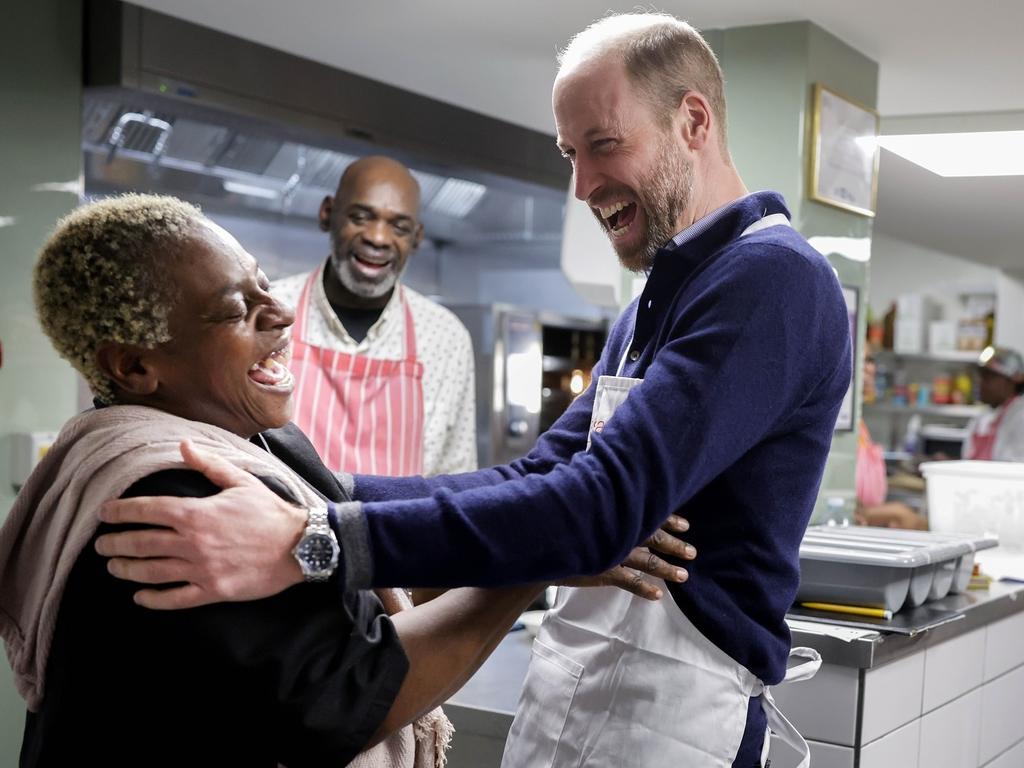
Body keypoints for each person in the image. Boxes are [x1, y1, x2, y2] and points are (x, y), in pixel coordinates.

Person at [95, 13, 852, 768]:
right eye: (568, 154)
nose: (583, 184)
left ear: (693, 121)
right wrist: (304, 490)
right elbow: (535, 478)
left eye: (603, 144)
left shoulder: (772, 280)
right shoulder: (655, 301)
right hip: (586, 692)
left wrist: (313, 541)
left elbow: (599, 508)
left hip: (684, 719)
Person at [0, 194, 546, 768]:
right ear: (135, 367)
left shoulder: (254, 439)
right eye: (237, 309)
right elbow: (344, 698)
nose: (281, 313)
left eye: (264, 285)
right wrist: (533, 564)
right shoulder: (171, 490)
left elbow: (383, 507)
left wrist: (550, 505)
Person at [272, 155, 476, 477]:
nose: (378, 238)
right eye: (361, 217)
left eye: (399, 226)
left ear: (417, 237)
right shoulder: (269, 312)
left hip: (396, 528)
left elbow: (454, 478)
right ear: (327, 213)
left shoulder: (446, 337)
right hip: (276, 524)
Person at [963, 345, 1024, 461]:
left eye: (988, 377)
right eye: (980, 376)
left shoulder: (1020, 416)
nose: (980, 383)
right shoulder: (983, 417)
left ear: (1011, 381)